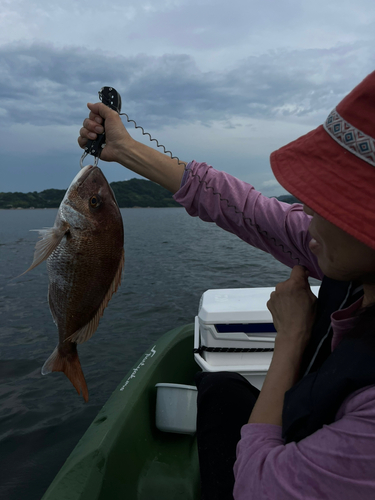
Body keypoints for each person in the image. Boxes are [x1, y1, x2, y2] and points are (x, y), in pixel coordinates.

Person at [78, 70, 375, 499]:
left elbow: (258, 488)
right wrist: (124, 149)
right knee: (217, 391)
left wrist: (291, 339)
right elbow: (243, 208)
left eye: (330, 199)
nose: (306, 205)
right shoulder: (344, 256)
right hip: (310, 420)